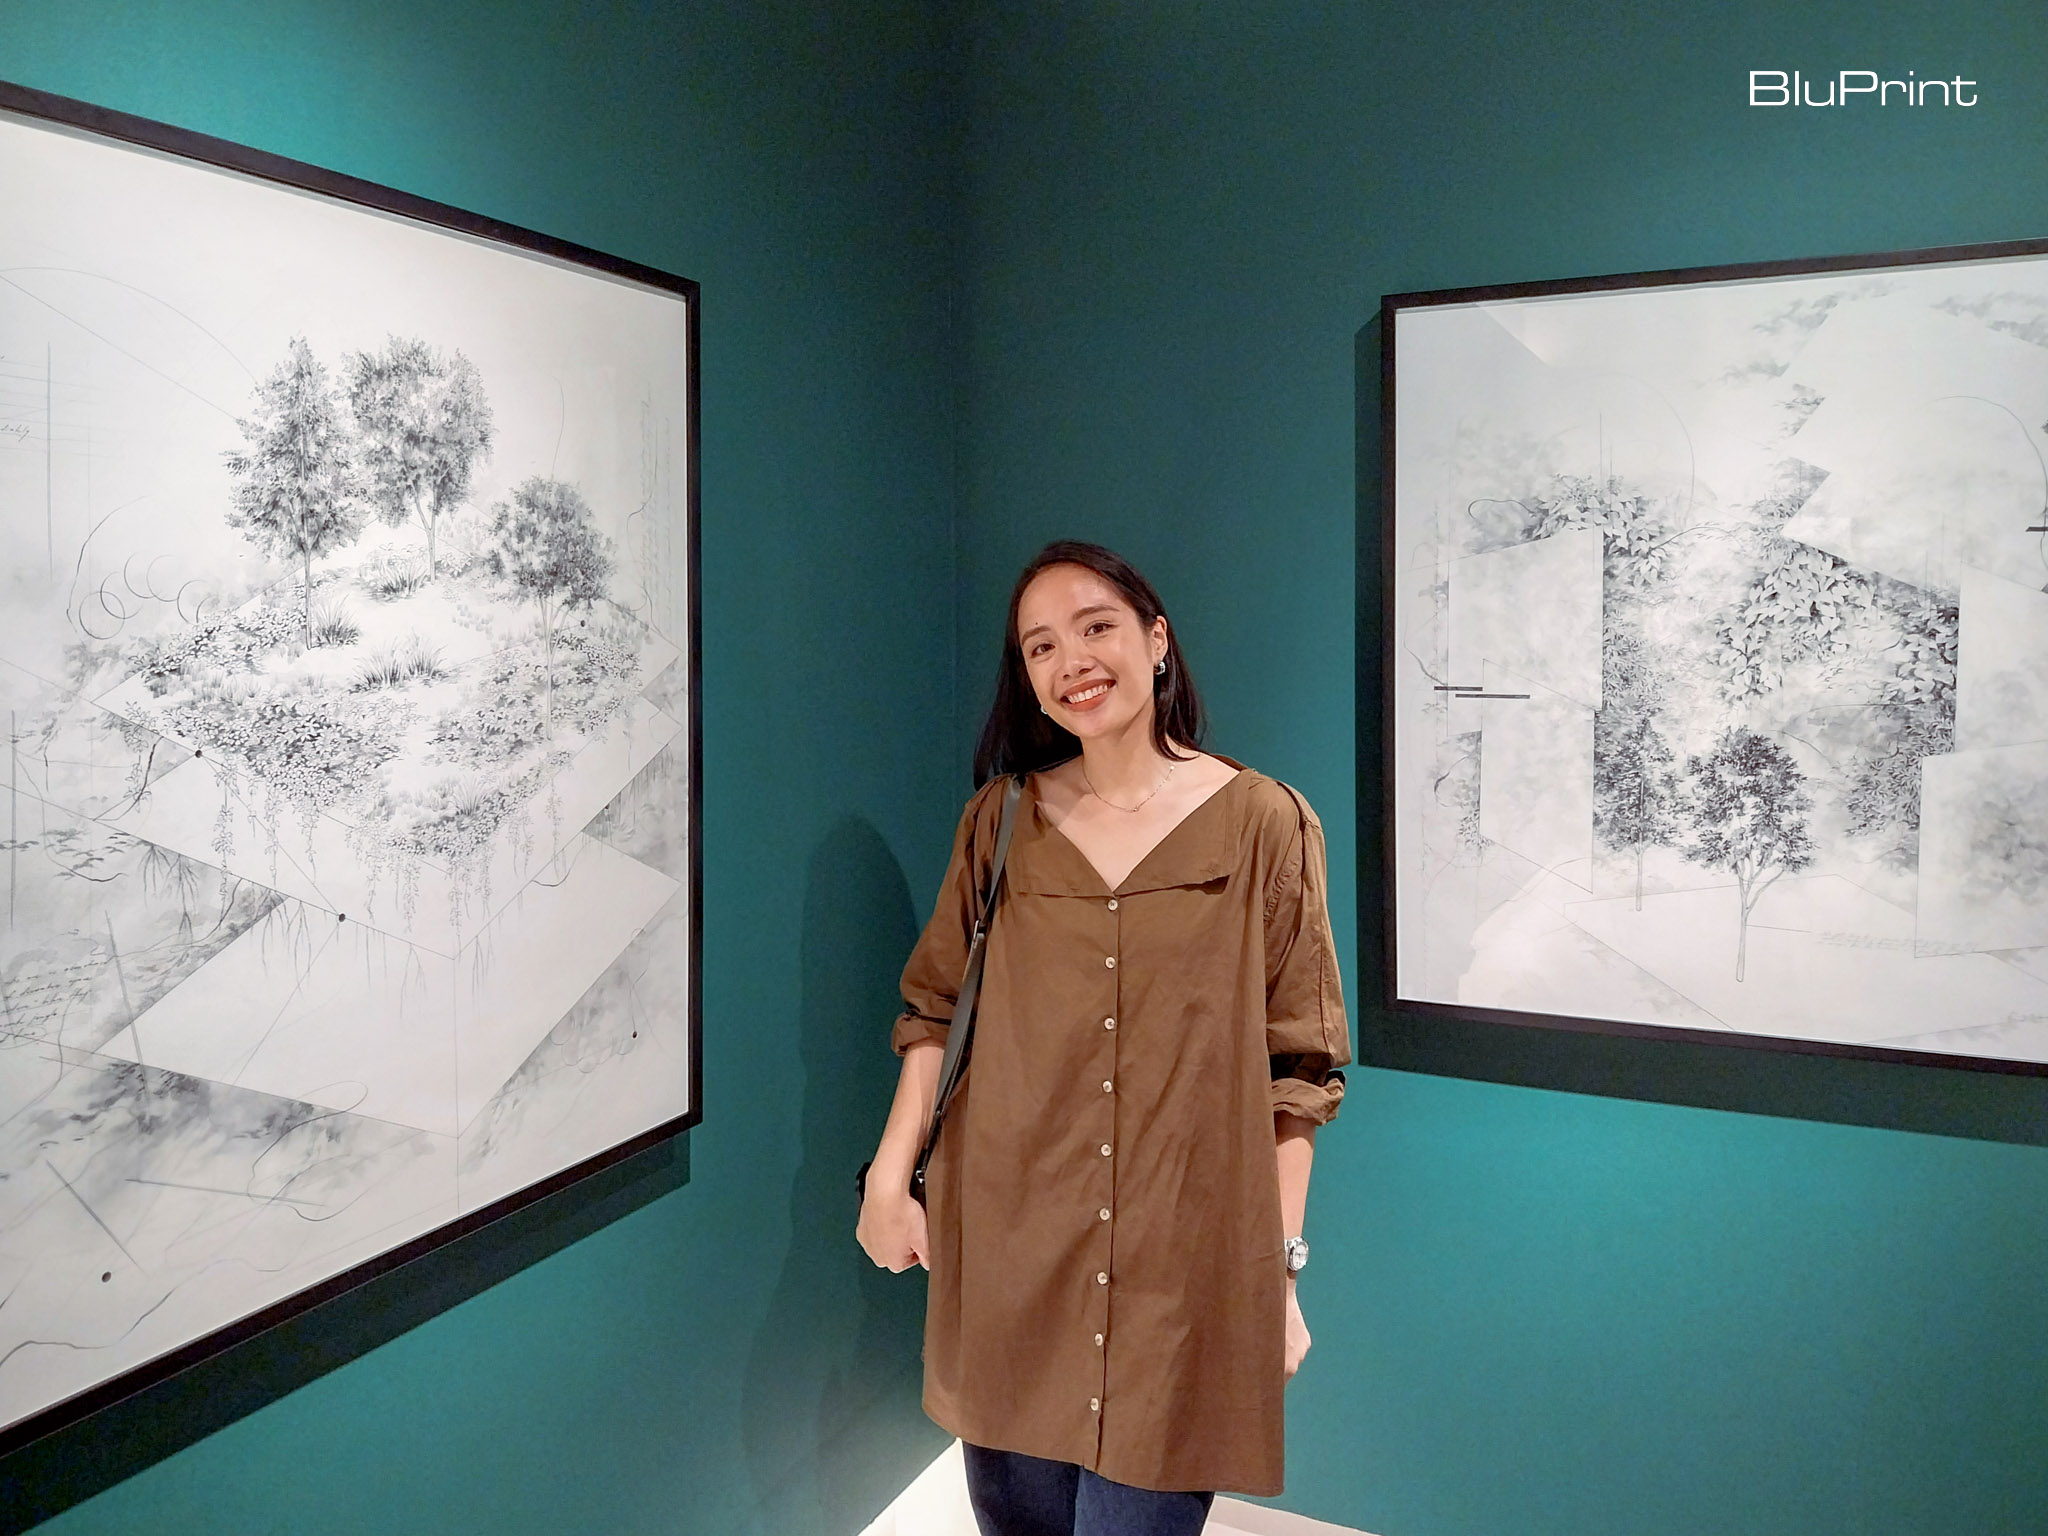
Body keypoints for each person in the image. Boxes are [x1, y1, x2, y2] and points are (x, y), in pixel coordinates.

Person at [856, 540, 1349, 1536]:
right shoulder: (998, 822)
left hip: (1183, 1276)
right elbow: (935, 1009)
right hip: (1008, 1258)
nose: (1069, 661)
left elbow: (1296, 1069)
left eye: (1094, 628)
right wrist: (885, 1175)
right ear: (1027, 681)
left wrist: (1276, 1268)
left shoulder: (1264, 823)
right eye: (1039, 647)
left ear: (1154, 640)